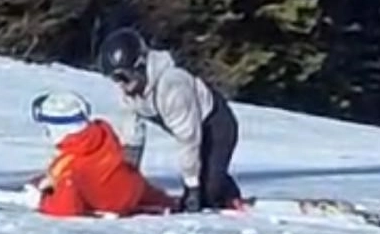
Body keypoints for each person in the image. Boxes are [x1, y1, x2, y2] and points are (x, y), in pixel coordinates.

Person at [96, 27, 242, 213]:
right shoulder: (130, 92)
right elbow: (132, 136)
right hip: (189, 129)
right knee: (204, 175)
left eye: (123, 76)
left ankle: (229, 197)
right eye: (114, 79)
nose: (120, 85)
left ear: (140, 65)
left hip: (216, 124)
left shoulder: (172, 85)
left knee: (207, 194)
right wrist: (126, 179)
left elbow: (188, 140)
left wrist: (192, 188)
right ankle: (217, 183)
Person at [29, 90, 175, 218]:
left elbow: (66, 209)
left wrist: (42, 201)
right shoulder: (104, 136)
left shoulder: (71, 168)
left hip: (116, 202)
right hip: (133, 184)